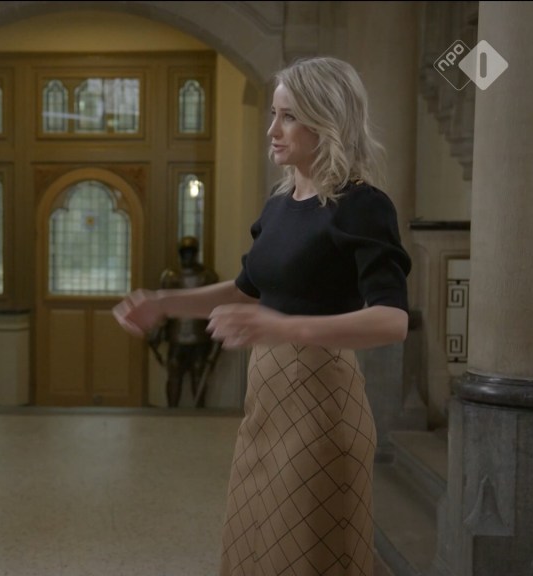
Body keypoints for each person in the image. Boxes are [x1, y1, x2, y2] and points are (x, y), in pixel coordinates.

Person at [113, 56, 411, 576]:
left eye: (289, 116)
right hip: (265, 405)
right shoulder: (278, 205)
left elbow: (392, 320)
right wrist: (164, 303)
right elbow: (247, 289)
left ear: (327, 121)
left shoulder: (361, 206)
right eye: (274, 114)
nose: (272, 130)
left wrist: (284, 326)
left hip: (321, 409)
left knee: (306, 558)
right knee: (252, 548)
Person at [149, 236, 220, 407]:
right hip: (177, 334)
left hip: (200, 335)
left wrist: (217, 340)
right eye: (185, 252)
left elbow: (216, 310)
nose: (188, 256)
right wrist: (156, 332)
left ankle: (199, 414)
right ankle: (172, 413)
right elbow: (163, 307)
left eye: (191, 252)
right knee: (175, 376)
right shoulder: (170, 276)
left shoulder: (207, 276)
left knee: (198, 374)